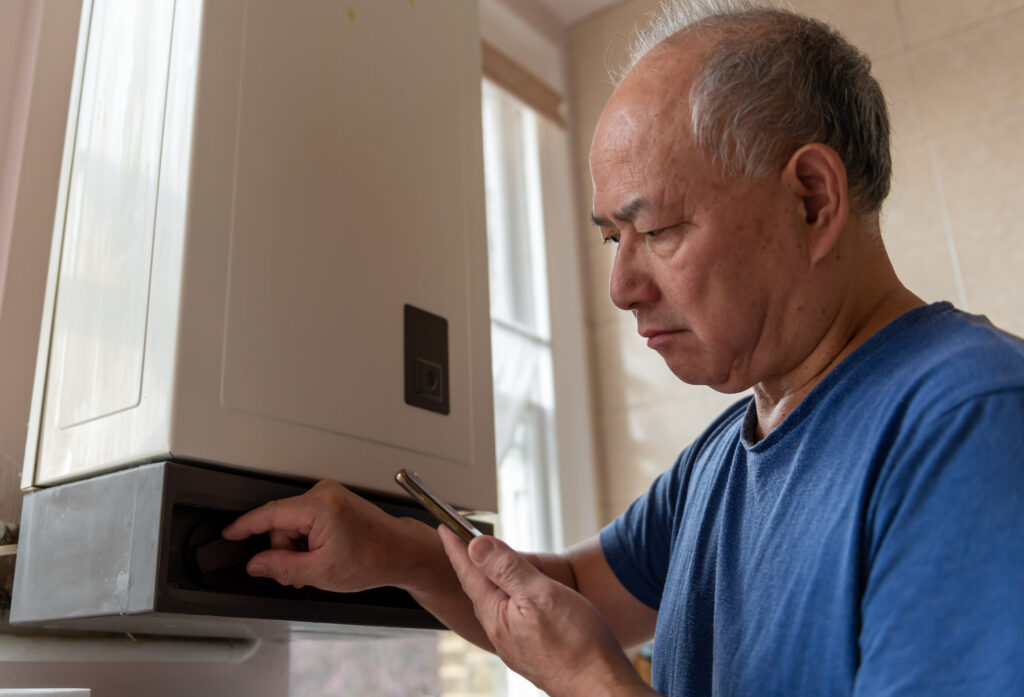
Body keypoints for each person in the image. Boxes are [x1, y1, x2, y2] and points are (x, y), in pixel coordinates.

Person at [223, 1, 1024, 695]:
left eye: (659, 230)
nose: (621, 286)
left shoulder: (971, 425)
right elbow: (567, 593)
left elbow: (580, 646)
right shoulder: (717, 463)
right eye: (612, 237)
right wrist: (388, 546)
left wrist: (590, 681)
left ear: (812, 200)